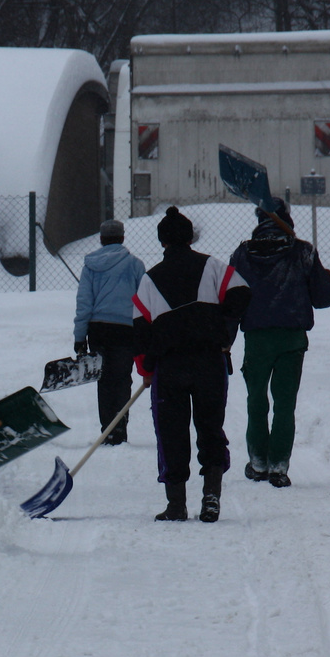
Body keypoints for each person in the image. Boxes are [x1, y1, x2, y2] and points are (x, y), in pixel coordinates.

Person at [132, 206, 251, 523]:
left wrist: (146, 370)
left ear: (163, 242)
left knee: (170, 432)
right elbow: (241, 293)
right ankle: (211, 498)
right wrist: (222, 328)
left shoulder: (149, 280)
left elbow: (140, 331)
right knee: (211, 428)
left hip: (169, 368)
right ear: (189, 237)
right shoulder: (212, 266)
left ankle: (176, 505)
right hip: (209, 362)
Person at [229, 200, 330, 489]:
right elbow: (322, 299)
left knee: (256, 401)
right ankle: (279, 465)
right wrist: (329, 282)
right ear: (286, 219)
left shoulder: (242, 254)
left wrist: (225, 340)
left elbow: (231, 299)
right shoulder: (303, 251)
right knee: (284, 403)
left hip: (256, 338)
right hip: (292, 337)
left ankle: (258, 463)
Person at [74, 219, 146, 443]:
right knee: (122, 379)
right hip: (126, 330)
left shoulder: (91, 266)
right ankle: (120, 427)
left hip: (98, 330)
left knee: (103, 380)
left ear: (101, 239)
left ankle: (107, 429)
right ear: (123, 238)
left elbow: (84, 302)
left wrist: (79, 336)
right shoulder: (135, 265)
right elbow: (144, 302)